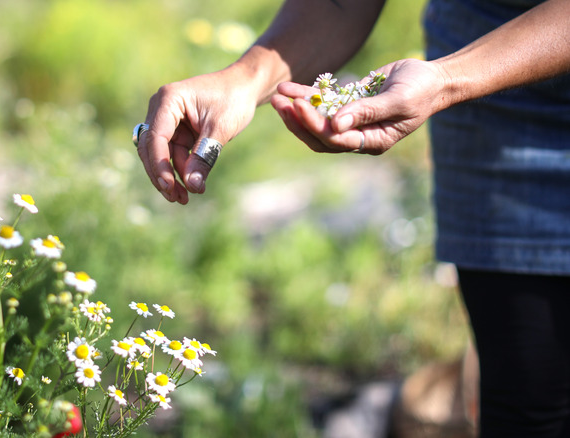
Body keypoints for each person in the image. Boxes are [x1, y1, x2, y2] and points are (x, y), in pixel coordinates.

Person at [133, 0, 570, 436]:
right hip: (493, 118)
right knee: (526, 400)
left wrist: (447, 79)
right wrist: (243, 80)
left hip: (468, 74)